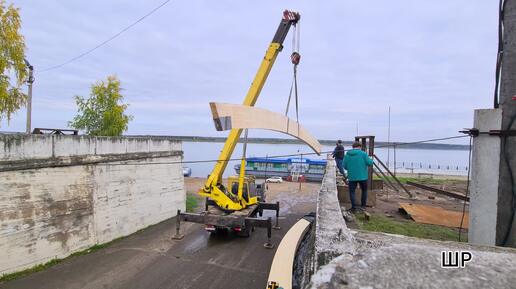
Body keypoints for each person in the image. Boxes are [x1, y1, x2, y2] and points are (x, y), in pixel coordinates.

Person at [343, 142, 373, 212]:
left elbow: (344, 166)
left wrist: (351, 168)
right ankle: (363, 206)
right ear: (360, 146)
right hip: (363, 176)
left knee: (352, 192)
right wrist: (370, 158)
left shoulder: (347, 154)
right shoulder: (363, 154)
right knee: (364, 191)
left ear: (353, 147)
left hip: (352, 177)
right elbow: (370, 163)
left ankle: (354, 207)